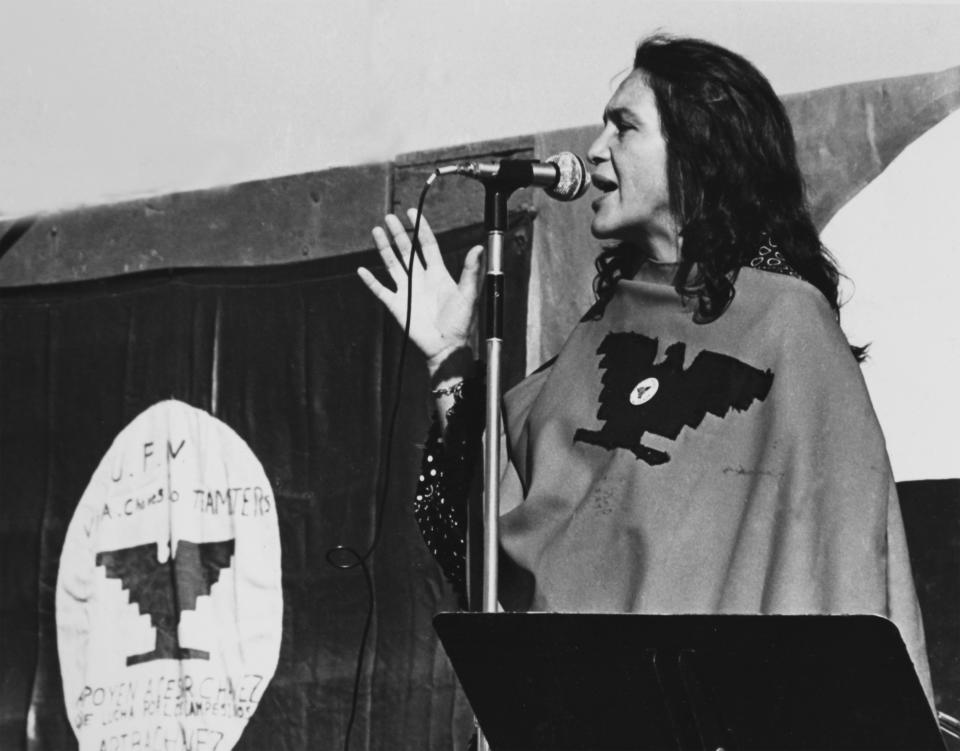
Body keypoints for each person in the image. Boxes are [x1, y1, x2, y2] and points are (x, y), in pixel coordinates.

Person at [357, 34, 934, 706]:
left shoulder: (790, 326)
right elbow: (485, 541)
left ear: (699, 151)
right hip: (595, 716)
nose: (595, 150)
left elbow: (842, 574)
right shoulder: (602, 333)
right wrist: (448, 358)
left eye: (624, 127)